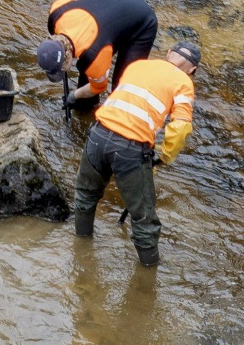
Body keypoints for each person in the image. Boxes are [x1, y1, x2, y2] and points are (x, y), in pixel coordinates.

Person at [73, 36, 201, 266]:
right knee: (144, 220)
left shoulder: (138, 65)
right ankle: (148, 276)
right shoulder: (184, 83)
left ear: (168, 53)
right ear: (192, 70)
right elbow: (181, 127)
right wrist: (164, 156)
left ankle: (81, 251)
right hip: (130, 149)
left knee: (85, 196)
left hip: (98, 134)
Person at [35, 0, 160, 108]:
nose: (62, 71)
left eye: (62, 68)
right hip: (114, 1)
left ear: (67, 55)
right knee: (86, 72)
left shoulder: (93, 55)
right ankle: (87, 109)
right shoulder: (57, 14)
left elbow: (99, 87)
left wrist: (74, 95)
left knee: (121, 88)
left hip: (142, 23)